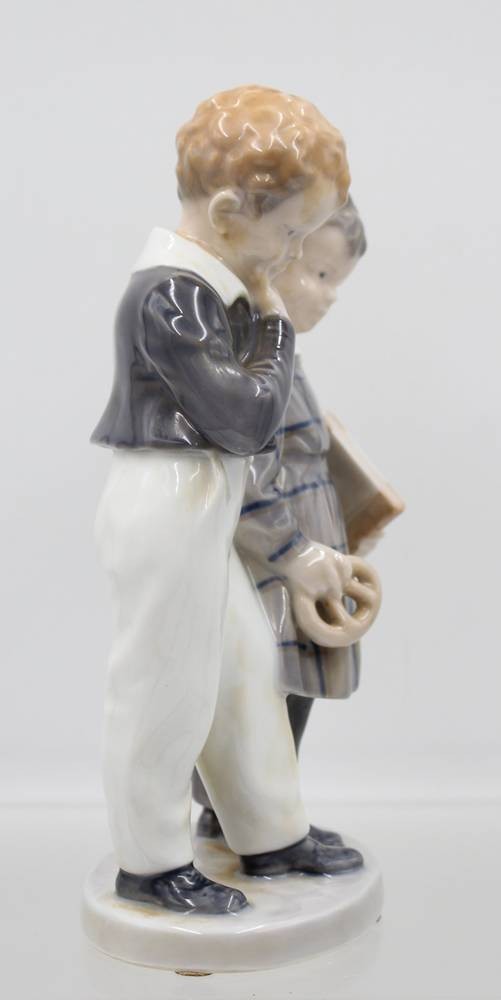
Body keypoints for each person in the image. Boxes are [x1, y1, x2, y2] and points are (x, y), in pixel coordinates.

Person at [91, 85, 364, 916]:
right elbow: (244, 419)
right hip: (166, 499)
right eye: (289, 234)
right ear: (226, 213)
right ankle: (149, 859)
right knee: (165, 686)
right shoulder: (169, 296)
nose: (291, 255)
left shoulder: (218, 290)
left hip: (204, 498)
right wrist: (277, 326)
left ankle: (269, 832)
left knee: (243, 672)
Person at [194, 199, 371, 845]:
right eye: (319, 274)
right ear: (278, 258)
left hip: (309, 533)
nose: (328, 295)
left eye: (336, 282)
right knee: (269, 685)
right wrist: (295, 550)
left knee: (293, 686)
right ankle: (252, 820)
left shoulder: (284, 354)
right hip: (280, 550)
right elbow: (249, 469)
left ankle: (260, 817)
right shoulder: (255, 357)